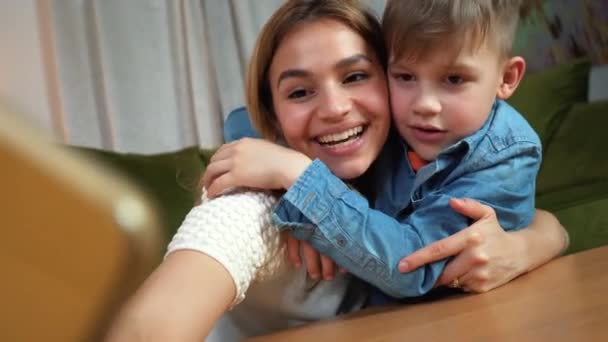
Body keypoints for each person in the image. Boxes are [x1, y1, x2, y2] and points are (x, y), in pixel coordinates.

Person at [106, 1, 568, 341]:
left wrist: (533, 241)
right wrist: (297, 177)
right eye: (300, 92)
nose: (335, 109)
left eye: (354, 76)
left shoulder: (412, 143)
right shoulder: (255, 203)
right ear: (271, 113)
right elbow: (148, 329)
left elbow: (533, 221)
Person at [204, 0, 542, 301]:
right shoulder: (398, 116)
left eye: (454, 79)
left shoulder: (505, 156)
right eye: (405, 76)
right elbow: (242, 121)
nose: (423, 104)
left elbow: (412, 266)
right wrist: (284, 183)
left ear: (507, 78)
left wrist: (301, 181)